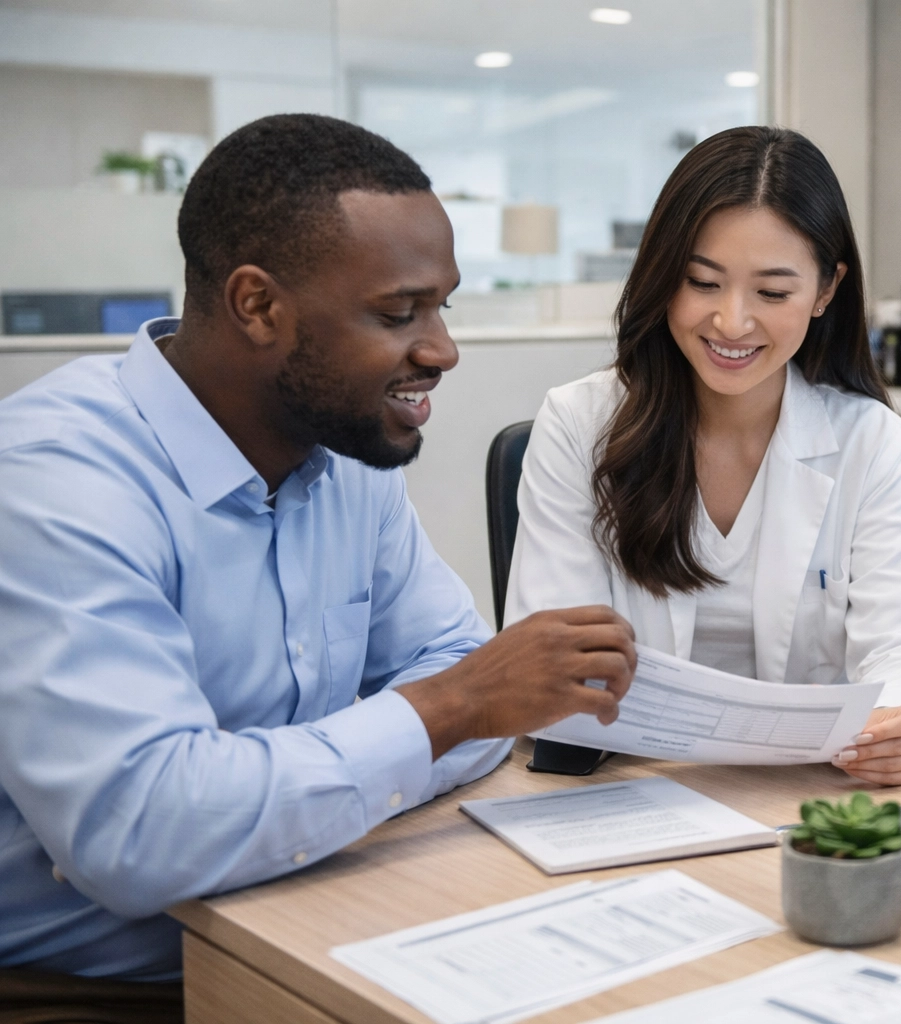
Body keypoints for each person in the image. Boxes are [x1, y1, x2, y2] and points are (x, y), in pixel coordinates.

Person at [0, 114, 637, 1007]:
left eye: (443, 305)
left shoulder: (342, 456)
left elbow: (468, 695)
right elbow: (143, 837)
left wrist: (262, 792)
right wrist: (440, 714)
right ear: (258, 306)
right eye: (398, 312)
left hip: (317, 913)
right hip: (85, 985)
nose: (443, 350)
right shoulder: (55, 482)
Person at [508, 126, 901, 785]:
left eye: (773, 293)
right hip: (627, 787)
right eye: (702, 282)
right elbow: (551, 661)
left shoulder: (871, 441)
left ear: (827, 290)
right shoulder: (579, 423)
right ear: (663, 276)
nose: (732, 323)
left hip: (808, 793)